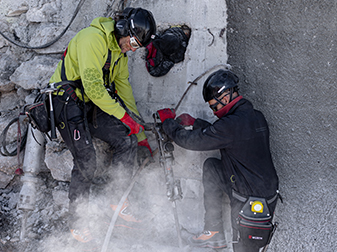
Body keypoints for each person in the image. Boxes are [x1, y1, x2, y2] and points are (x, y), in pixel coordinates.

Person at [48, 7, 156, 245]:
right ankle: (77, 223)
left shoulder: (119, 53)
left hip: (90, 104)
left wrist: (137, 131)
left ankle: (117, 202)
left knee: (125, 139)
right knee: (86, 158)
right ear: (122, 29)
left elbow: (124, 90)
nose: (133, 48)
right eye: (133, 42)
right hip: (66, 101)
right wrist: (124, 117)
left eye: (138, 46)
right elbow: (95, 87)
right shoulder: (92, 39)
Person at [156, 69, 280, 251]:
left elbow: (194, 141)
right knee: (212, 168)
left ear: (226, 96)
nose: (213, 112)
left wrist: (169, 124)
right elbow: (226, 135)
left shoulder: (232, 125)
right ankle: (214, 232)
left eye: (214, 106)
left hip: (252, 200)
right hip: (259, 187)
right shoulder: (254, 116)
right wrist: (195, 122)